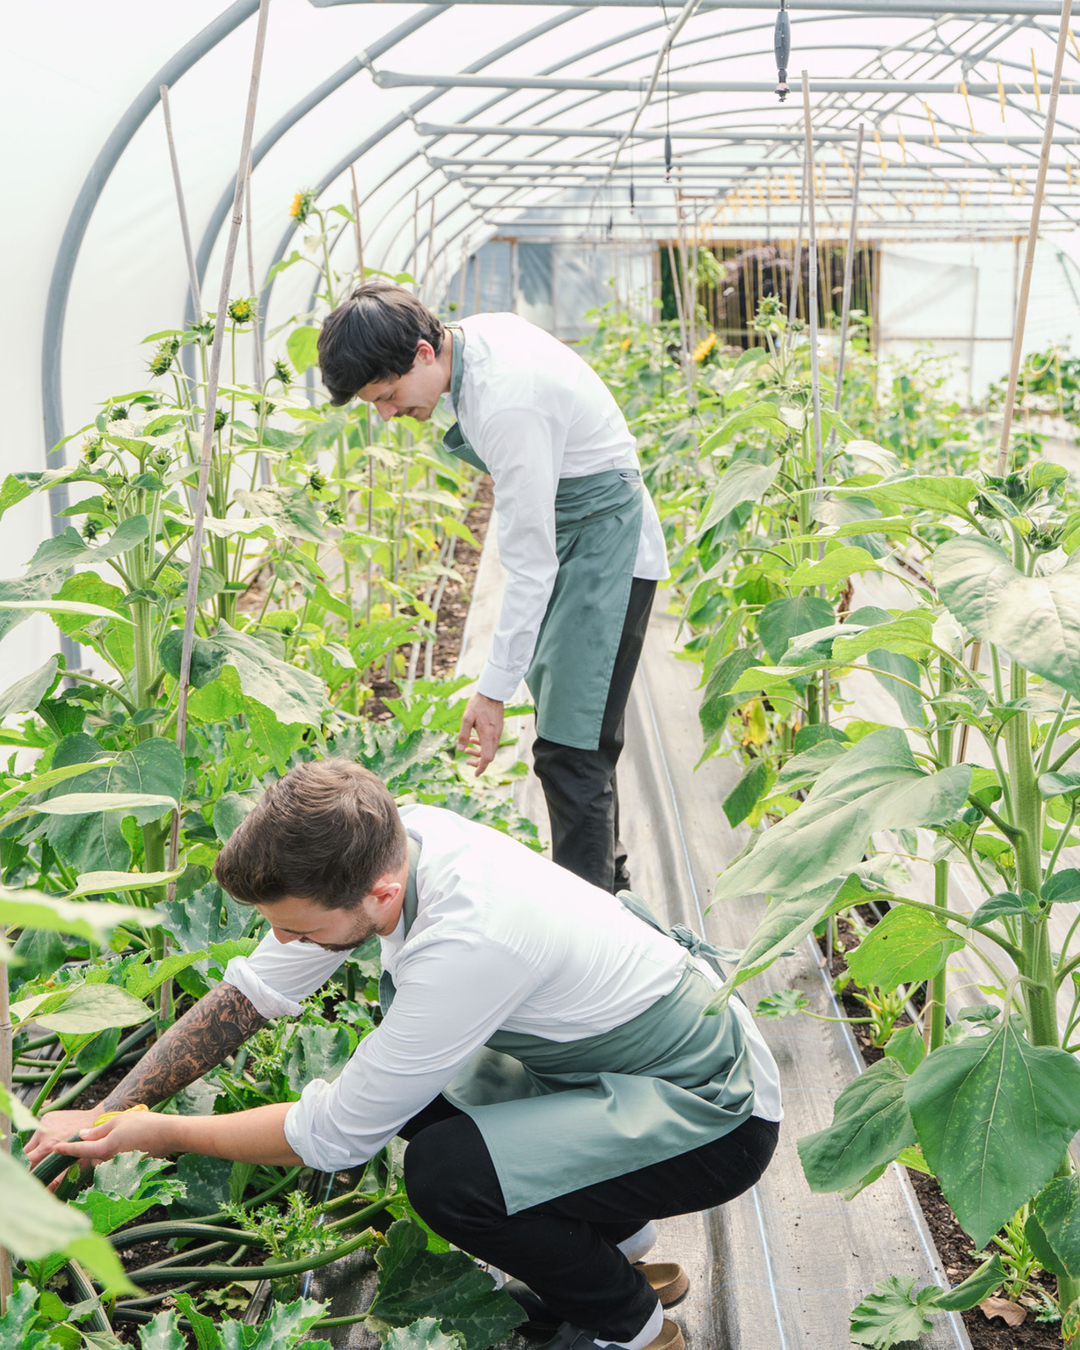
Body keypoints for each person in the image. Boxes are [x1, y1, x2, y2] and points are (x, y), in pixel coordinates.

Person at [29, 760, 781, 1350]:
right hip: (609, 1070)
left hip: (714, 1118)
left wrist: (152, 1132)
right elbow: (251, 995)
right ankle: (626, 1252)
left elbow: (332, 1137)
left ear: (381, 896)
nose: (284, 941)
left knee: (448, 1179)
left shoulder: (469, 941)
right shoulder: (392, 838)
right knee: (417, 1086)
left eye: (298, 928)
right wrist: (105, 1114)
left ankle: (637, 1328)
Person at [316, 282, 670, 894]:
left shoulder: (508, 401)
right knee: (573, 746)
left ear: (424, 352)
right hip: (577, 541)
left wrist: (491, 691)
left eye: (391, 396)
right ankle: (605, 892)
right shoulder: (474, 343)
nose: (390, 415)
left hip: (605, 550)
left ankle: (593, 938)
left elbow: (529, 564)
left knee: (573, 751)